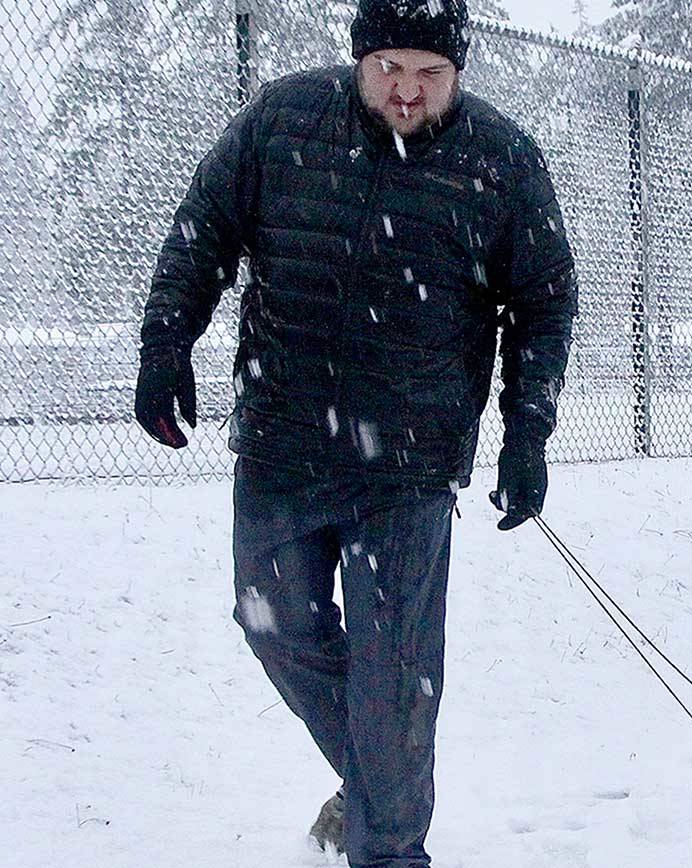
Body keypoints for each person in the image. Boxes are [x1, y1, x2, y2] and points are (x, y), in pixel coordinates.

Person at [132, 0, 578, 863]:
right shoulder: (281, 121)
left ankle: (390, 849)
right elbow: (202, 235)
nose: (407, 91)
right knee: (275, 625)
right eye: (388, 70)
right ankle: (379, 786)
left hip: (408, 466)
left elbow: (544, 300)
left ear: (459, 70)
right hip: (282, 440)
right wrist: (166, 345)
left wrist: (528, 432)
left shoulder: (503, 159)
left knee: (395, 685)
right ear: (358, 60)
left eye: (430, 75)